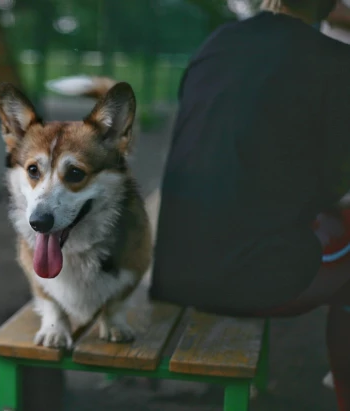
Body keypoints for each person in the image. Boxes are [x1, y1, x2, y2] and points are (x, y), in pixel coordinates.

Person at [148, 0, 350, 409]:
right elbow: (336, 181)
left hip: (175, 269)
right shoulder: (335, 60)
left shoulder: (217, 43)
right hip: (252, 283)